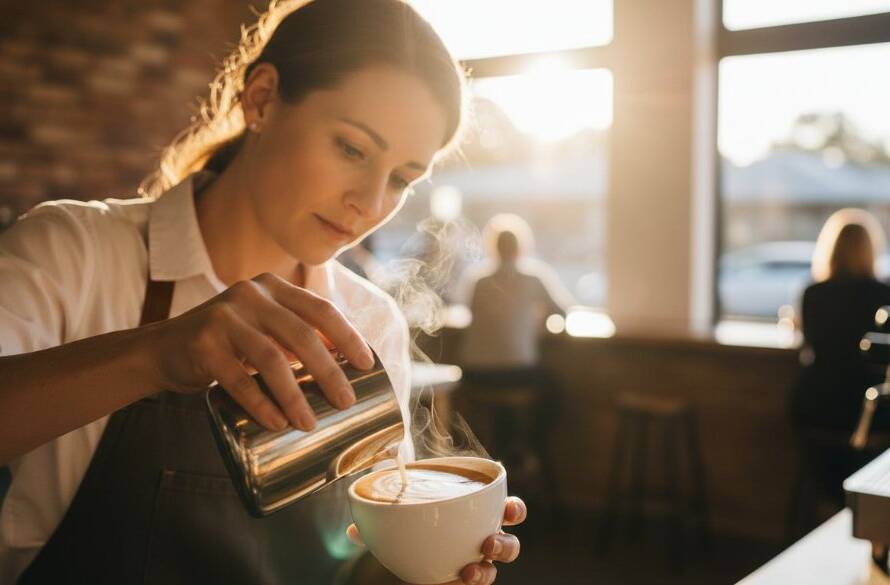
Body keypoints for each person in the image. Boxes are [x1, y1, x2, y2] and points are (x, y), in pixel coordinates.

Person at [0, 1, 525, 583]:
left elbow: (355, 553)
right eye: (351, 148)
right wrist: (155, 355)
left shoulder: (369, 324)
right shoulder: (73, 253)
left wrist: (427, 561)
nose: (372, 203)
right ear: (263, 99)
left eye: (401, 178)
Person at [455, 214, 573, 505]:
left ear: (493, 247)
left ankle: (504, 460)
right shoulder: (533, 277)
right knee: (554, 389)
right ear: (521, 247)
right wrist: (538, 324)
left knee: (503, 406)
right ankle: (529, 447)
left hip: (475, 375)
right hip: (515, 372)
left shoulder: (479, 279)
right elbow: (564, 312)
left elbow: (470, 315)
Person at [789, 208, 890, 507]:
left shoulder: (813, 294)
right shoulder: (883, 295)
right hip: (866, 413)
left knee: (824, 471)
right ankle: (863, 511)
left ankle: (835, 506)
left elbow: (809, 344)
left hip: (815, 406)